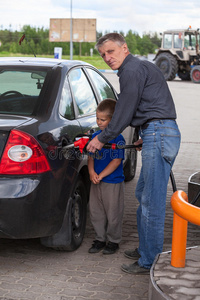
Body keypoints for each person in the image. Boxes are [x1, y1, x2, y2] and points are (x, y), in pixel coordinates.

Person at [87, 33, 181, 274]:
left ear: (124, 48)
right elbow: (147, 105)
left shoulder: (131, 70)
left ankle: (149, 261)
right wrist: (144, 135)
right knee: (143, 195)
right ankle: (145, 250)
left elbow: (124, 111)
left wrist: (102, 138)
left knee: (152, 202)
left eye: (110, 51)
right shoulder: (138, 68)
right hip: (156, 132)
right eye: (103, 55)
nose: (107, 57)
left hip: (159, 133)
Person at [88, 98, 125, 255]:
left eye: (103, 119)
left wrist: (101, 175)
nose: (99, 122)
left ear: (113, 119)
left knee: (113, 213)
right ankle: (100, 238)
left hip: (112, 182)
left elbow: (116, 161)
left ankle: (114, 240)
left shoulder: (118, 139)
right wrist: (91, 172)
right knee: (96, 211)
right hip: (96, 180)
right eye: (97, 118)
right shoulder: (95, 137)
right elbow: (90, 157)